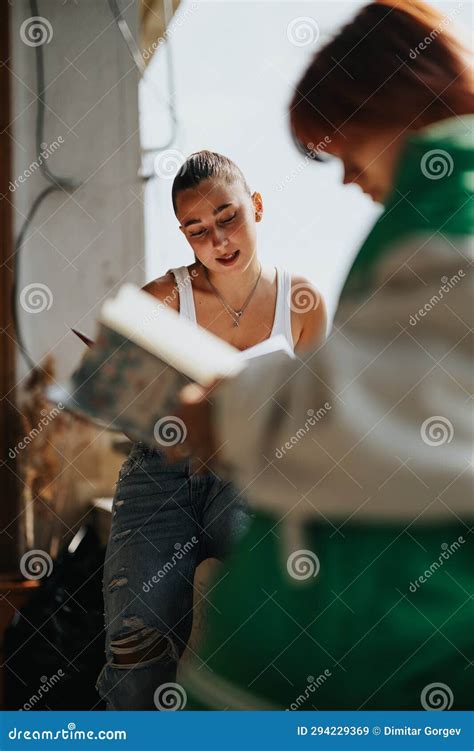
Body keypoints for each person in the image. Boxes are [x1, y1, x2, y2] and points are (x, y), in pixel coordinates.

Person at [174, 1, 473, 709]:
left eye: (343, 147)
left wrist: (231, 407)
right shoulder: (434, 205)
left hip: (380, 647)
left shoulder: (452, 198)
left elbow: (405, 398)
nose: (345, 179)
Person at [96, 150, 327, 709]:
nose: (218, 240)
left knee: (258, 637)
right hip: (162, 473)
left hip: (252, 473)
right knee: (135, 643)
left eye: (228, 218)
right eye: (198, 231)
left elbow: (319, 419)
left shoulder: (300, 303)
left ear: (257, 207)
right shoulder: (163, 298)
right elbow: (123, 406)